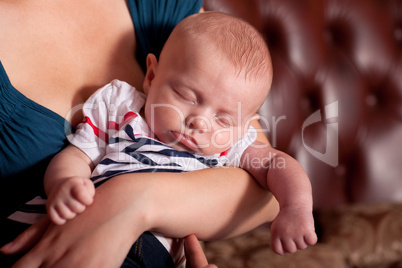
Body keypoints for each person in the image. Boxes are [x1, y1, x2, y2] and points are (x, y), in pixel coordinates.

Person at [0, 1, 280, 267]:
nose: (200, 123)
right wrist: (65, 183)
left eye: (224, 118)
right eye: (184, 95)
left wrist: (129, 201)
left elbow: (268, 192)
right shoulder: (124, 110)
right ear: (150, 76)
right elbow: (79, 155)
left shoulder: (164, 10)